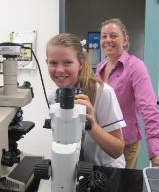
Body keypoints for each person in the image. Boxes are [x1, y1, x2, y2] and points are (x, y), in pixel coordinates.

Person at [46, 33, 126, 168]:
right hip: (75, 169)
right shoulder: (53, 96)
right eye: (53, 63)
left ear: (80, 64)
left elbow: (117, 150)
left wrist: (91, 125)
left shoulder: (103, 93)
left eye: (68, 62)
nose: (59, 70)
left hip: (105, 170)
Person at [96, 18, 159, 169]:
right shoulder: (100, 67)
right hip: (102, 141)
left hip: (125, 144)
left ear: (125, 39)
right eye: (104, 36)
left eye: (113, 36)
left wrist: (155, 153)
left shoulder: (136, 67)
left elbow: (149, 108)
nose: (108, 40)